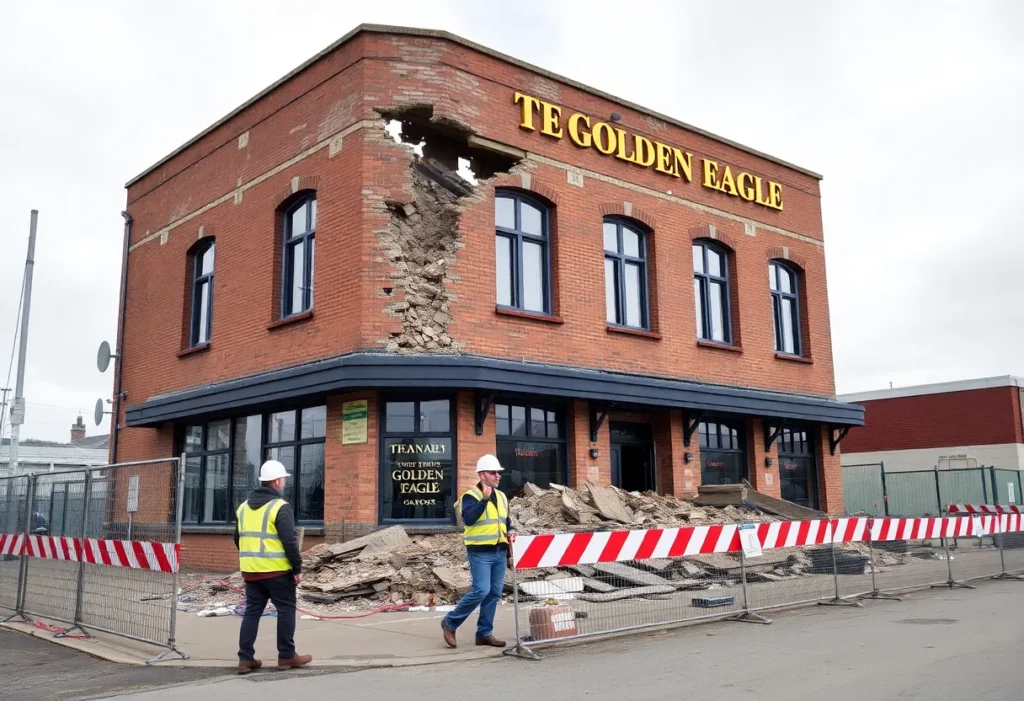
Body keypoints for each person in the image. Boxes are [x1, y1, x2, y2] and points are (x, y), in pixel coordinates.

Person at [233, 459, 312, 674]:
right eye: (283, 479)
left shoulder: (242, 508)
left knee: (252, 613)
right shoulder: (280, 507)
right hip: (277, 571)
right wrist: (297, 569)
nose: (284, 483)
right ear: (277, 481)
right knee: (286, 609)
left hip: (251, 571)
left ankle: (245, 659)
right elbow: (289, 541)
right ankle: (287, 655)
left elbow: (237, 539)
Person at [441, 453, 514, 648]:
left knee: (494, 592)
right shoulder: (470, 496)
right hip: (480, 553)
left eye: (498, 473)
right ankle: (450, 622)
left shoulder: (502, 496)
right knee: (481, 590)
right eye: (493, 473)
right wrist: (484, 499)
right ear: (482, 475)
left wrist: (510, 545)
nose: (498, 476)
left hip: (499, 552)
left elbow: (506, 523)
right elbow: (469, 519)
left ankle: (484, 633)